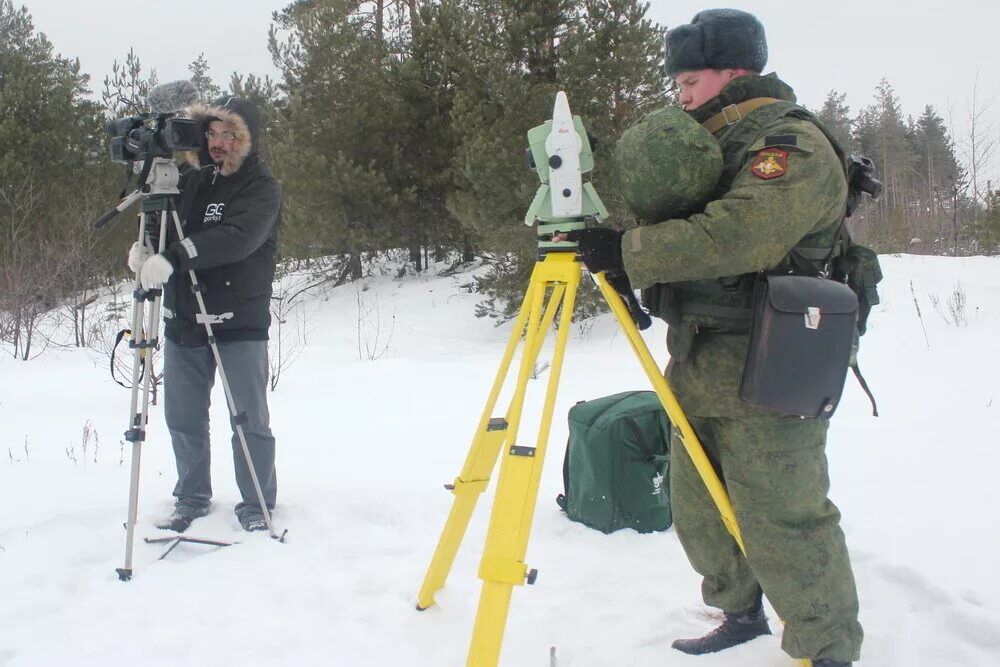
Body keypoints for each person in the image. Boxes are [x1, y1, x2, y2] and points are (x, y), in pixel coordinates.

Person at [566, 9, 862, 667]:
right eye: (678, 85)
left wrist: (631, 249)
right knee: (699, 505)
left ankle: (828, 645)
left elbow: (738, 234)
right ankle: (739, 610)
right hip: (698, 357)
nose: (683, 95)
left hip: (772, 363)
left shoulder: (791, 146)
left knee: (784, 514)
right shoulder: (711, 146)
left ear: (735, 71)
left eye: (692, 80)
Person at [127, 96, 282, 533]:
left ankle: (256, 502)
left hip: (239, 319)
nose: (219, 143)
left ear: (246, 139)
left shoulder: (261, 187)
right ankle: (191, 495)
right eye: (212, 133)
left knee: (247, 417)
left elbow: (236, 238)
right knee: (183, 414)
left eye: (229, 135)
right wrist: (145, 249)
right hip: (185, 317)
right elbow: (164, 228)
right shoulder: (190, 181)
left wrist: (174, 257)